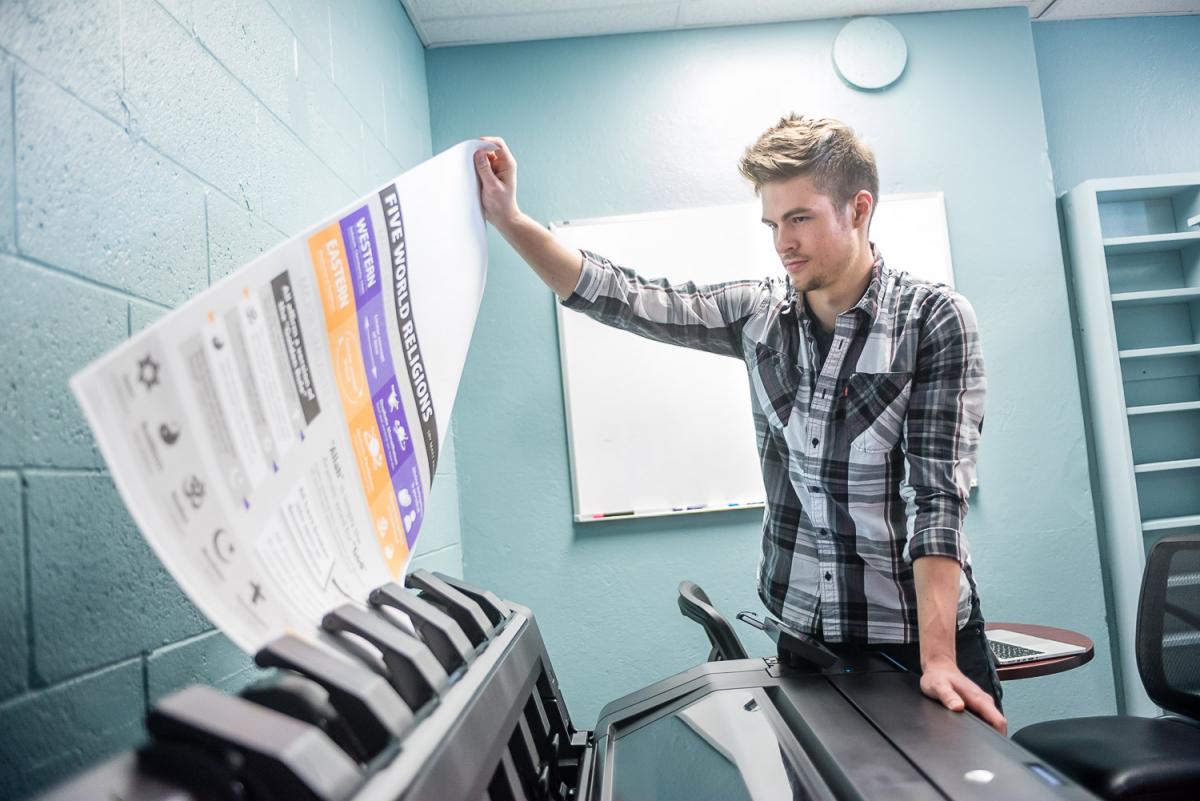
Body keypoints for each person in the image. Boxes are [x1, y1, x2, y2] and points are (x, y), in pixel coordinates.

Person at [473, 114, 1006, 735]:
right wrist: (510, 220)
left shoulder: (932, 319)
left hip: (915, 644)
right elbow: (621, 295)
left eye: (800, 218)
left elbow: (936, 498)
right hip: (806, 641)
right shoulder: (758, 315)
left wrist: (938, 658)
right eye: (773, 223)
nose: (783, 242)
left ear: (859, 209)